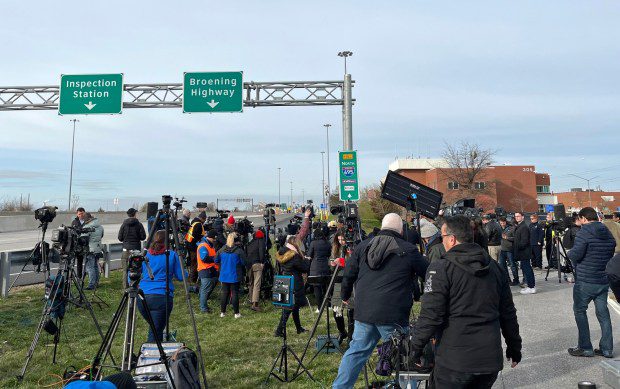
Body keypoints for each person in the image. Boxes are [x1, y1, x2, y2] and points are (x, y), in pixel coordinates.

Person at [411, 215, 522, 388]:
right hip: (488, 360)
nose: (442, 242)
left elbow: (431, 315)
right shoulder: (495, 267)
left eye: (443, 237)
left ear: (452, 239)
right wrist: (514, 346)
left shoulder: (441, 268)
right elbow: (508, 313)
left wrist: (415, 348)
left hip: (455, 362)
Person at [332, 213, 428, 388]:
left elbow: (348, 275)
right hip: (394, 314)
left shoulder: (362, 247)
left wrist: (345, 296)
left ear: (382, 227)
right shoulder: (409, 249)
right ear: (400, 230)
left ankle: (340, 386)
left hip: (365, 312)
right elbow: (427, 274)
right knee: (403, 357)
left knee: (356, 353)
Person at [568, 207, 616, 358]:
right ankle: (607, 349)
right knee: (603, 314)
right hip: (602, 280)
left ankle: (585, 347)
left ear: (583, 218)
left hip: (585, 280)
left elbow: (575, 255)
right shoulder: (606, 230)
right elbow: (612, 246)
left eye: (580, 219)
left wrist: (569, 253)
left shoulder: (584, 232)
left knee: (580, 311)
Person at [136, 230, 185, 342]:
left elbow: (132, 274)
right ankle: (153, 355)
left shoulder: (144, 255)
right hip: (161, 297)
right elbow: (181, 276)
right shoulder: (171, 255)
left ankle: (156, 349)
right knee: (155, 331)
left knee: (154, 327)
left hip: (143, 296)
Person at [274, 208, 312, 337]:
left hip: (284, 280)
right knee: (290, 308)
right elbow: (304, 268)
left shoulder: (282, 252)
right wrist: (306, 260)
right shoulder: (294, 256)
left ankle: (298, 327)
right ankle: (279, 330)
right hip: (294, 282)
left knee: (293, 307)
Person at [215, 233, 246, 318]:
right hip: (235, 275)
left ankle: (222, 312)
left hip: (224, 275)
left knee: (225, 293)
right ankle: (236, 313)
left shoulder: (221, 250)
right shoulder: (239, 251)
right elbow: (244, 262)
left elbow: (216, 260)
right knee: (235, 293)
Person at [330, 231, 354, 343]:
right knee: (336, 310)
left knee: (351, 310)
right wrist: (332, 263)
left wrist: (343, 261)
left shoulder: (352, 248)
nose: (341, 242)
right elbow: (331, 260)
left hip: (351, 281)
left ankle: (351, 336)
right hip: (339, 280)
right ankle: (342, 331)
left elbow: (355, 263)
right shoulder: (336, 249)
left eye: (343, 240)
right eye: (339, 240)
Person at [118, 208, 146, 289]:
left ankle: (125, 288)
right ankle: (135, 287)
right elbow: (143, 237)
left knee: (125, 270)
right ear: (134, 214)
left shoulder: (124, 224)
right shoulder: (139, 224)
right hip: (136, 251)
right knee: (136, 269)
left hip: (126, 250)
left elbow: (120, 238)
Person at [308, 227, 332, 312]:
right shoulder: (328, 243)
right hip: (325, 266)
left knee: (317, 287)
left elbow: (309, 255)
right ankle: (329, 305)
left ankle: (319, 307)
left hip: (315, 267)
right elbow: (329, 254)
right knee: (326, 287)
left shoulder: (313, 243)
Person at [197, 230, 219, 313]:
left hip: (211, 269)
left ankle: (202, 297)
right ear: (210, 237)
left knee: (211, 285)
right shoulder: (203, 246)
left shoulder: (210, 245)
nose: (215, 240)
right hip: (205, 270)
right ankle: (204, 308)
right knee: (205, 289)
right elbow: (204, 258)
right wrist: (215, 259)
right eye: (214, 239)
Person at [514, 212, 535, 294]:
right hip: (522, 252)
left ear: (522, 217)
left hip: (524, 252)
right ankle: (530, 286)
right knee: (526, 269)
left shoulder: (524, 227)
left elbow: (524, 241)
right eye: (515, 216)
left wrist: (517, 247)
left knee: (527, 269)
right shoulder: (520, 226)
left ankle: (531, 287)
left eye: (518, 216)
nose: (517, 217)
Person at [245, 229, 266, 311]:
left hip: (249, 265)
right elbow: (261, 252)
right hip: (257, 264)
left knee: (251, 283)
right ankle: (255, 304)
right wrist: (262, 262)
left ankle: (251, 300)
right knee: (257, 284)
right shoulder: (260, 242)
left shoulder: (249, 243)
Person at [82, 213, 104, 290]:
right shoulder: (100, 226)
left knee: (90, 267)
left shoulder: (87, 227)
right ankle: (96, 283)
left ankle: (91, 285)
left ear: (86, 219)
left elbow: (83, 239)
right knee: (95, 267)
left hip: (90, 249)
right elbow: (101, 236)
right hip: (98, 249)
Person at [185, 211, 206, 290]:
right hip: (193, 246)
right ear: (203, 219)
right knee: (194, 262)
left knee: (192, 262)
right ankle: (192, 280)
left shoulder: (194, 222)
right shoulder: (199, 224)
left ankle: (191, 277)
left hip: (189, 244)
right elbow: (198, 236)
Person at [499, 217, 519, 286]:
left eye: (503, 223)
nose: (502, 224)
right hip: (502, 249)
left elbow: (515, 238)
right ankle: (507, 279)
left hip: (509, 249)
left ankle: (516, 279)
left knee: (512, 265)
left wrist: (507, 238)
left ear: (505, 222)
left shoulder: (511, 228)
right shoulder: (499, 228)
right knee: (502, 265)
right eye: (501, 223)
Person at [71, 207, 87, 278]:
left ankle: (87, 275)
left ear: (84, 213)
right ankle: (79, 276)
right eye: (79, 214)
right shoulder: (74, 222)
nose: (81, 215)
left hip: (87, 244)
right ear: (77, 214)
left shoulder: (88, 221)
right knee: (79, 261)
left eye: (82, 213)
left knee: (88, 262)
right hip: (78, 245)